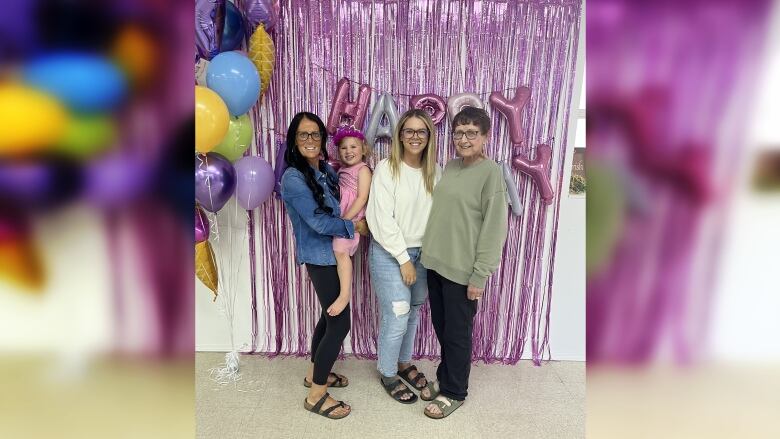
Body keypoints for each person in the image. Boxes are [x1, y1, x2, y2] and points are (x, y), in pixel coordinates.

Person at [420, 106, 509, 419]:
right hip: (436, 264)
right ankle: (445, 378)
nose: (464, 138)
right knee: (443, 329)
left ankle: (455, 391)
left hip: (462, 271)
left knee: (457, 334)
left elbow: (494, 228)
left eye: (472, 133)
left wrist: (480, 276)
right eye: (459, 132)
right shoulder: (452, 166)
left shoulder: (491, 172)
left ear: (485, 136)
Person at [280, 112, 366, 420]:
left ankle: (313, 374)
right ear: (293, 140)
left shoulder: (324, 171)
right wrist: (355, 229)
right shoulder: (293, 177)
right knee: (340, 323)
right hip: (321, 256)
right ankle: (316, 394)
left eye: (315, 134)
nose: (310, 140)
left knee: (328, 319)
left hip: (331, 253)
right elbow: (317, 221)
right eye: (303, 135)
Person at [366, 109, 442, 404]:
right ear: (399, 136)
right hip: (390, 252)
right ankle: (387, 372)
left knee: (413, 312)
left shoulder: (437, 171)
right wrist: (404, 258)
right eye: (408, 131)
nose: (414, 137)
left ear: (429, 137)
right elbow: (381, 219)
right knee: (397, 314)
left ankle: (403, 362)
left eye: (420, 131)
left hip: (425, 254)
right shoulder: (387, 169)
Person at [327, 126, 373, 317]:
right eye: (344, 148)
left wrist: (345, 219)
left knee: (340, 251)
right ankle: (339, 290)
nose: (349, 151)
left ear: (363, 149)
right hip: (341, 218)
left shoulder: (363, 170)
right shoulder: (343, 171)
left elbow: (362, 197)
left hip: (351, 218)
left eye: (353, 147)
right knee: (338, 252)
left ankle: (345, 295)